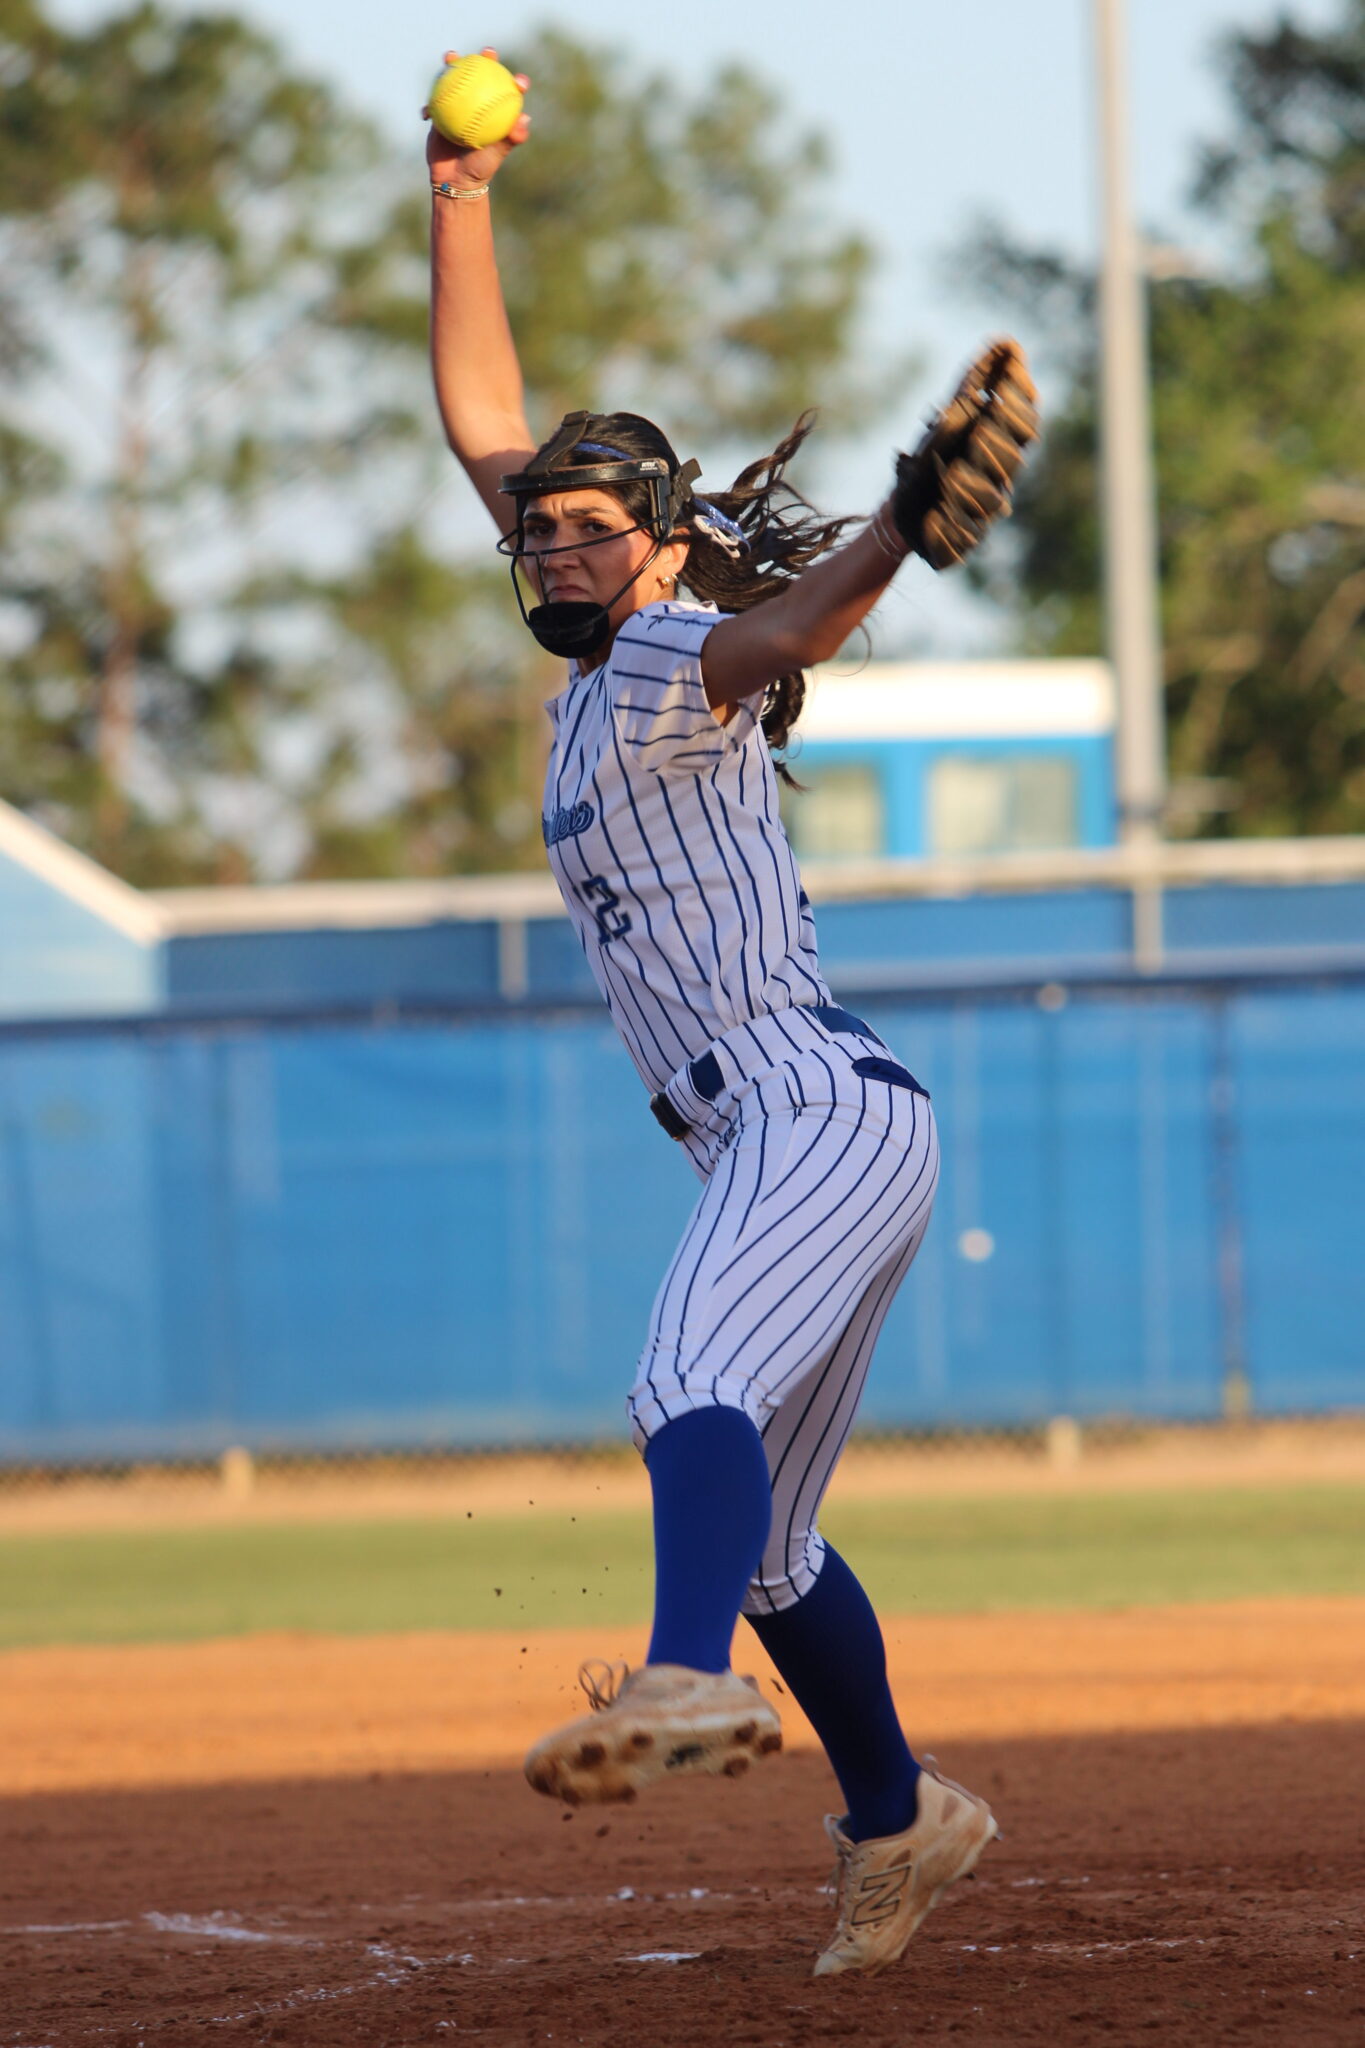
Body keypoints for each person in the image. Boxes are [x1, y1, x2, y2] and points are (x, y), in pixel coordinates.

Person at [425, 50, 1036, 1979]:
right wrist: (458, 195)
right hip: (792, 1126)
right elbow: (484, 422)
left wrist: (898, 526)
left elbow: (791, 628)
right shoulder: (589, 656)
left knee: (676, 1383)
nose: (554, 548)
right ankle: (900, 1818)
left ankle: (681, 1675)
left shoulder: (670, 647)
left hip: (805, 1105)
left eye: (590, 531)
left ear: (669, 543)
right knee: (773, 1540)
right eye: (539, 532)